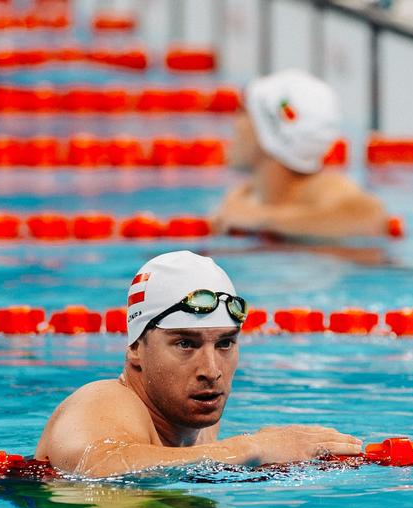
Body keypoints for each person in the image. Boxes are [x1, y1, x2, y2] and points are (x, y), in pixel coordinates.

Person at [35, 251, 362, 477]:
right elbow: (98, 465)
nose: (211, 370)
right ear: (135, 347)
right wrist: (255, 447)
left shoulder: (200, 431)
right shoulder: (102, 401)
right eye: (185, 344)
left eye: (225, 343)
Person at [212, 70, 389, 239]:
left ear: (267, 133)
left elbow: (370, 218)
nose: (234, 123)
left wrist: (260, 218)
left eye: (244, 112)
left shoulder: (322, 187)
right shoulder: (245, 195)